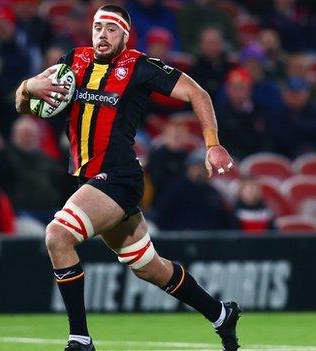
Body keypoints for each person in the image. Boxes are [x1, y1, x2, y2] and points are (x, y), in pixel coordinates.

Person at [15, 5, 239, 351]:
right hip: (88, 180)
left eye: (111, 29)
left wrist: (212, 144)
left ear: (124, 35)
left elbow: (198, 93)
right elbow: (24, 104)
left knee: (58, 236)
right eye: (97, 27)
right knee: (148, 267)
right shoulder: (72, 62)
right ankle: (221, 314)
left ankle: (80, 339)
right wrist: (30, 86)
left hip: (118, 177)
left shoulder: (139, 66)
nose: (102, 35)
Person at [152, 148, 231, 231]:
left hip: (207, 240)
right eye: (197, 167)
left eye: (204, 168)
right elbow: (162, 217)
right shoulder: (175, 190)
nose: (200, 171)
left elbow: (223, 221)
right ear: (189, 169)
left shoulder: (212, 193)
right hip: (179, 239)